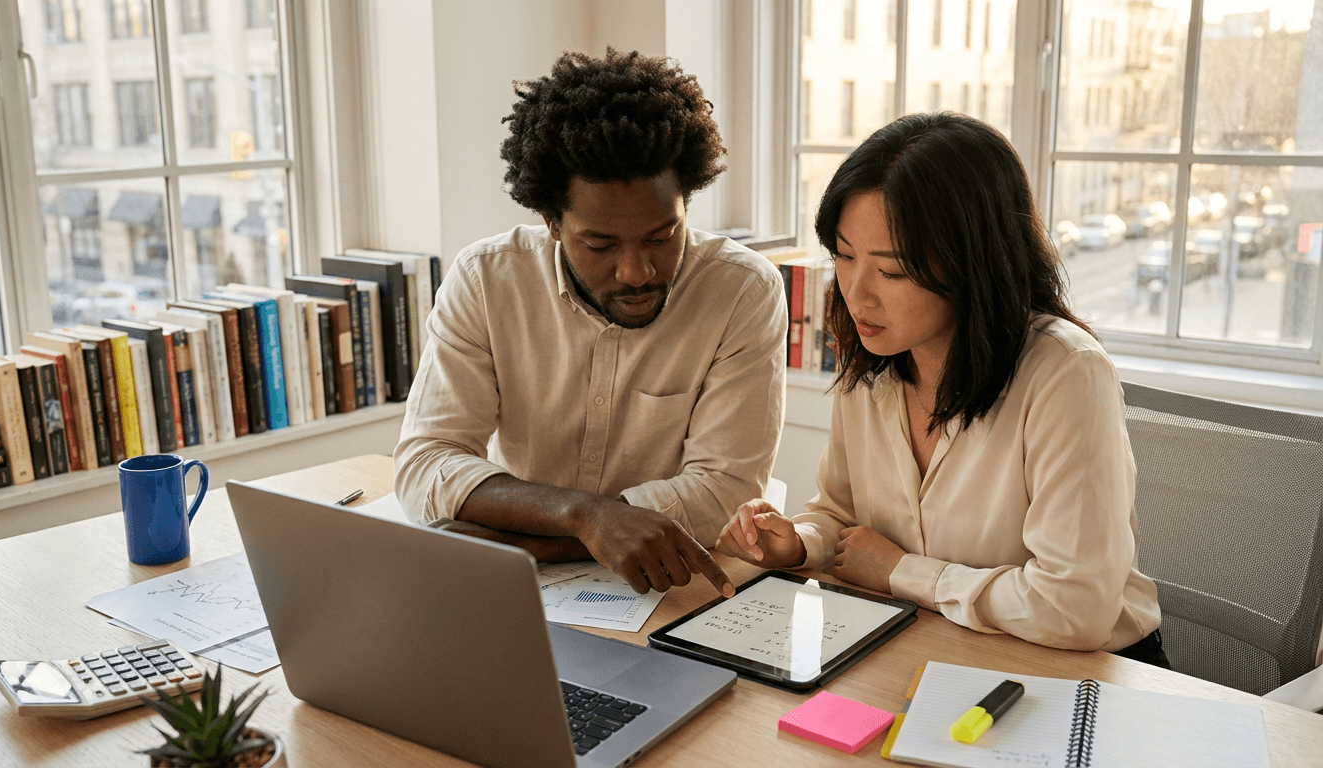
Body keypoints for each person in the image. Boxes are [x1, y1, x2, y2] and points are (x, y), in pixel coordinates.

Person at [714, 112, 1165, 664]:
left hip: (1083, 672)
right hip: (930, 648)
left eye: (892, 271)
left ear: (972, 264)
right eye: (844, 256)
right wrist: (798, 543)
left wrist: (901, 572)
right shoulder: (875, 359)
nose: (856, 294)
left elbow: (1074, 607)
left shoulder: (1065, 373)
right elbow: (842, 518)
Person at [394, 49, 787, 599]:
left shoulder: (742, 289)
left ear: (686, 203)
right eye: (601, 245)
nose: (637, 272)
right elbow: (425, 463)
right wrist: (582, 515)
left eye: (662, 236)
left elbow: (724, 493)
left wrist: (534, 543)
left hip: (672, 590)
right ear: (551, 221)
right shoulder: (486, 278)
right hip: (520, 592)